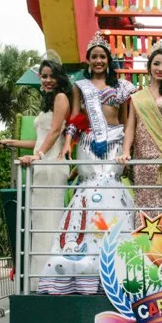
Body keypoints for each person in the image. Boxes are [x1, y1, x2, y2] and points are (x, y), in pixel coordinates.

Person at [37, 32, 136, 295]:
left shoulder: (123, 87)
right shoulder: (80, 86)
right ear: (89, 61)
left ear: (108, 59)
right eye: (94, 57)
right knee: (88, 190)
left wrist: (127, 150)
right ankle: (82, 261)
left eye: (103, 56)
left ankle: (117, 259)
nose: (99, 60)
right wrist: (69, 142)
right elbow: (77, 118)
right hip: (88, 144)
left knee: (111, 191)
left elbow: (127, 123)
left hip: (114, 144)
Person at [0, 58, 71, 289]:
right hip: (40, 163)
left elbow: (56, 132)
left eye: (52, 76)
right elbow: (40, 139)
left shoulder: (61, 98)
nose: (48, 80)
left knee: (50, 220)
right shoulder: (46, 103)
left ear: (59, 77)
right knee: (38, 221)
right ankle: (38, 279)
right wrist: (14, 142)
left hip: (51, 164)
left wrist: (39, 155)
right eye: (44, 76)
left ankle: (52, 279)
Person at [117, 41, 162, 227]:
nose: (160, 68)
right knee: (143, 201)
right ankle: (143, 249)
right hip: (142, 160)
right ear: (149, 66)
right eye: (156, 63)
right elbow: (131, 126)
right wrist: (126, 151)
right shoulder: (137, 97)